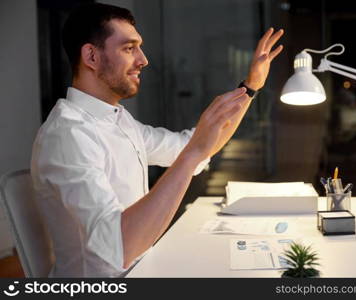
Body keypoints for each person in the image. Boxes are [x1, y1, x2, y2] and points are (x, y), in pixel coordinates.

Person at [31, 3, 284, 277]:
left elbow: (192, 148)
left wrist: (250, 88)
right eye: (129, 48)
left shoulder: (117, 119)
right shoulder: (69, 135)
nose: (143, 59)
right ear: (91, 56)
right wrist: (192, 155)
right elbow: (117, 249)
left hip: (145, 268)